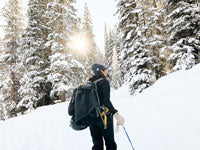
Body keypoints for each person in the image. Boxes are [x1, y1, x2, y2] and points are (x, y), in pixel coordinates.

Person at [88, 63, 125, 150]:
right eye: (104, 69)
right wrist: (115, 113)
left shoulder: (89, 83)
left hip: (91, 119)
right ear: (100, 71)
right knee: (110, 144)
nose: (106, 71)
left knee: (97, 145)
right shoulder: (104, 82)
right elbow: (106, 101)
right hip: (104, 118)